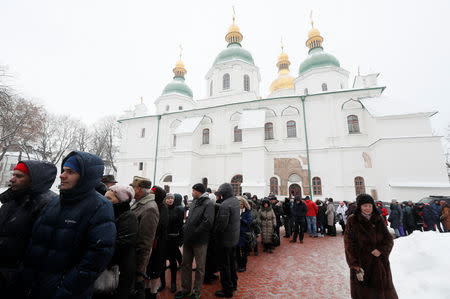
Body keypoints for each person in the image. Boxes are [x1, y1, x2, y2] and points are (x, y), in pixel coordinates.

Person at [23, 151, 116, 298]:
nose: (62, 175)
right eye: (63, 170)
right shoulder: (54, 202)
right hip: (35, 288)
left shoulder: (100, 206)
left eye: (70, 172)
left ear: (86, 177)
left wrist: (65, 289)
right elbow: (34, 245)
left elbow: (96, 258)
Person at [0, 161, 57, 298]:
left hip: (18, 277)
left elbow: (41, 246)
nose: (12, 179)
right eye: (13, 175)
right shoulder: (13, 198)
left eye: (19, 176)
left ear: (34, 179)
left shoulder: (48, 204)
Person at [344, 194, 398, 299]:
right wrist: (354, 264)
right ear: (359, 206)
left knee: (383, 293)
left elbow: (389, 240)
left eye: (370, 206)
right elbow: (349, 244)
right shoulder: (352, 221)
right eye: (365, 206)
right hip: (362, 264)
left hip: (380, 263)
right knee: (364, 293)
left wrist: (381, 250)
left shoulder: (378, 219)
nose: (368, 208)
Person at [175, 183, 215, 299]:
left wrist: (194, 232)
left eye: (193, 191)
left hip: (200, 241)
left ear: (199, 191)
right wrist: (185, 228)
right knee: (185, 265)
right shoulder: (194, 203)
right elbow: (189, 218)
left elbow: (207, 222)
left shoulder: (208, 204)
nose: (192, 193)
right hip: (188, 239)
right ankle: (185, 290)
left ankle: (196, 292)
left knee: (200, 267)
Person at [102, 185, 138, 299]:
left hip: (120, 269)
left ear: (120, 200)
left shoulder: (129, 217)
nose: (104, 201)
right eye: (104, 197)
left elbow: (122, 244)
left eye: (109, 199)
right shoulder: (108, 213)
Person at [129, 176, 159, 299]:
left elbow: (145, 242)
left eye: (133, 187)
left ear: (139, 189)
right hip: (131, 256)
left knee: (137, 289)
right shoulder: (138, 202)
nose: (131, 189)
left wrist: (140, 269)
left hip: (137, 259)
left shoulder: (150, 208)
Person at [213, 183, 240, 298]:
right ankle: (234, 283)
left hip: (225, 240)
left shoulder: (225, 204)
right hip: (233, 238)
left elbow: (221, 225)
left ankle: (227, 290)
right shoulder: (235, 201)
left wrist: (214, 233)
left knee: (224, 266)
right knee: (232, 263)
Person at [161, 193, 184, 293]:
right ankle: (162, 283)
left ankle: (173, 283)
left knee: (173, 262)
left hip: (173, 240)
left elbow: (180, 226)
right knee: (161, 263)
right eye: (168, 198)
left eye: (171, 198)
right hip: (163, 240)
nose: (170, 200)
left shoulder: (178, 210)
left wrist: (180, 239)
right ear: (165, 199)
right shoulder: (162, 209)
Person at [236, 196, 252, 273]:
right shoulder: (235, 211)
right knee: (237, 251)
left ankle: (243, 266)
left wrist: (242, 220)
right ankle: (238, 265)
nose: (240, 205)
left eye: (242, 204)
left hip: (244, 234)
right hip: (236, 233)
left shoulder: (247, 211)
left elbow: (249, 222)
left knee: (244, 251)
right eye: (239, 204)